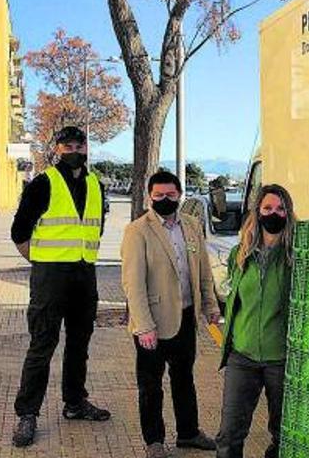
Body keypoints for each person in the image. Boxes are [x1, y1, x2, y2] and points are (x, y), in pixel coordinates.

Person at [10, 126, 110, 448]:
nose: (74, 150)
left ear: (86, 148)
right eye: (67, 145)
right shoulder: (43, 183)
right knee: (42, 344)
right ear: (58, 149)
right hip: (51, 277)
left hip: (84, 274)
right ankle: (28, 415)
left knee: (79, 343)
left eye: (79, 144)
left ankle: (75, 402)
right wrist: (40, 262)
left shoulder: (96, 185)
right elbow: (19, 231)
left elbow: (96, 228)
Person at [121, 171, 222, 458]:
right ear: (150, 196)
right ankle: (154, 441)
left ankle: (188, 433)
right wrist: (143, 326)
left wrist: (210, 307)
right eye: (159, 195)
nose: (165, 199)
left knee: (184, 379)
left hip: (185, 318)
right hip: (152, 323)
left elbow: (202, 271)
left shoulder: (191, 225)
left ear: (180, 194)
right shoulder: (137, 231)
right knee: (151, 385)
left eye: (171, 194)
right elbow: (133, 283)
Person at [216, 185, 296, 458]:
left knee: (283, 432)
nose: (274, 214)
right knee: (229, 433)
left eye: (280, 209)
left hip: (280, 358)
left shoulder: (295, 256)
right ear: (257, 213)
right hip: (243, 355)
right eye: (268, 209)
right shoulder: (240, 254)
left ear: (289, 213)